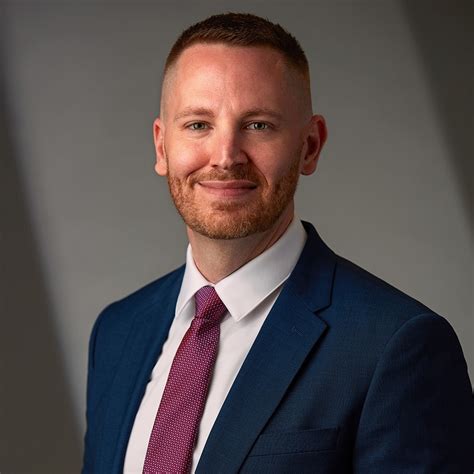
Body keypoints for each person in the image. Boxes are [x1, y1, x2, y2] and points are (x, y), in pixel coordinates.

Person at [82, 12, 473, 474]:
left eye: (258, 125)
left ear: (310, 146)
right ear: (162, 147)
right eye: (198, 125)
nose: (225, 157)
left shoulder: (396, 346)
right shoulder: (117, 332)